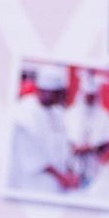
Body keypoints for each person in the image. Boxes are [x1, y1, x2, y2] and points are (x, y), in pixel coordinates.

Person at [8, 63, 79, 194]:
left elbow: (65, 144)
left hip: (58, 181)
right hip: (34, 182)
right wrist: (61, 177)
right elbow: (32, 155)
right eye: (57, 94)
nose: (60, 98)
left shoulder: (57, 111)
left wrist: (70, 171)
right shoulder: (24, 112)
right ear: (44, 91)